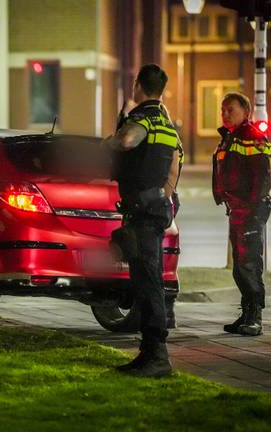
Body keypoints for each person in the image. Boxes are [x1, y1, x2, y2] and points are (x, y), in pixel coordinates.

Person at [102, 64, 183, 377]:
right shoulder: (167, 124)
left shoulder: (144, 119)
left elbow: (126, 143)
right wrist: (162, 196)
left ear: (139, 86)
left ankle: (157, 357)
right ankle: (149, 353)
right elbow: (174, 167)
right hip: (155, 208)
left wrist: (109, 140)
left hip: (142, 212)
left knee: (148, 282)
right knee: (149, 280)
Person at [212, 92, 271, 337]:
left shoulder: (251, 136)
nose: (225, 114)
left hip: (250, 209)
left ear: (246, 112)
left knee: (249, 263)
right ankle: (246, 313)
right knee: (240, 266)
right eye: (223, 110)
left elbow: (263, 177)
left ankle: (255, 317)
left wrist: (250, 208)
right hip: (237, 208)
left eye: (231, 110)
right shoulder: (230, 137)